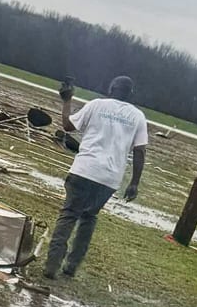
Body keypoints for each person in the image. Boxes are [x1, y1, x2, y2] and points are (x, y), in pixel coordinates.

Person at [41, 75, 147, 279]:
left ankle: (51, 266)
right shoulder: (137, 116)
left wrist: (67, 100)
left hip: (84, 170)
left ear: (111, 88)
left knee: (69, 214)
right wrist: (134, 183)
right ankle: (71, 266)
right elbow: (140, 150)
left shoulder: (96, 105)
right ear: (131, 94)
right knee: (89, 217)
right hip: (109, 179)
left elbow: (67, 126)